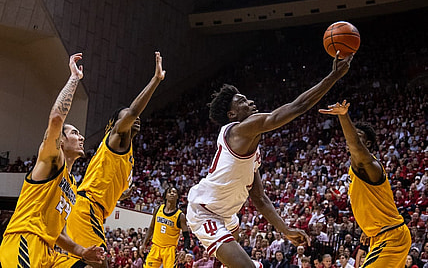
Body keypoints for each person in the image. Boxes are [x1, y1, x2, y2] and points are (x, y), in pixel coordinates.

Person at [187, 51, 353, 267]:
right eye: (243, 101)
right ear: (232, 115)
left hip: (226, 215)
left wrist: (286, 230)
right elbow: (296, 107)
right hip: (205, 210)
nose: (251, 101)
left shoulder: (253, 151)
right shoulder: (238, 131)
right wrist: (333, 76)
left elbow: (259, 198)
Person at [0, 54, 104, 266]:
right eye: (74, 133)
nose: (81, 137)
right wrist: (74, 78)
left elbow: (58, 234)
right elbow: (57, 118)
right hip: (24, 241)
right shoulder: (52, 161)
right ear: (61, 142)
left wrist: (82, 251)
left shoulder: (72, 186)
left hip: (49, 251)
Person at [65, 52, 166, 264]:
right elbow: (131, 113)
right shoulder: (116, 137)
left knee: (87, 263)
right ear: (116, 124)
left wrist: (120, 194)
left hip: (93, 210)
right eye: (128, 116)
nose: (134, 118)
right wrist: (155, 80)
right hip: (87, 208)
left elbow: (105, 180)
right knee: (101, 262)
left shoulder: (125, 151)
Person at [319, 100, 412, 267]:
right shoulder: (355, 169)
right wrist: (367, 230)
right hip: (381, 236)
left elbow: (355, 145)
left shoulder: (371, 166)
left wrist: (343, 116)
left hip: (391, 237)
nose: (351, 138)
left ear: (367, 144)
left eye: (357, 135)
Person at [141, 186, 190, 268]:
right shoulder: (157, 209)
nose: (172, 193)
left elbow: (186, 236)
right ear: (166, 195)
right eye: (169, 192)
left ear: (177, 196)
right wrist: (144, 243)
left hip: (170, 250)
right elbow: (151, 228)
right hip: (155, 247)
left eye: (174, 192)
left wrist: (185, 250)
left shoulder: (180, 216)